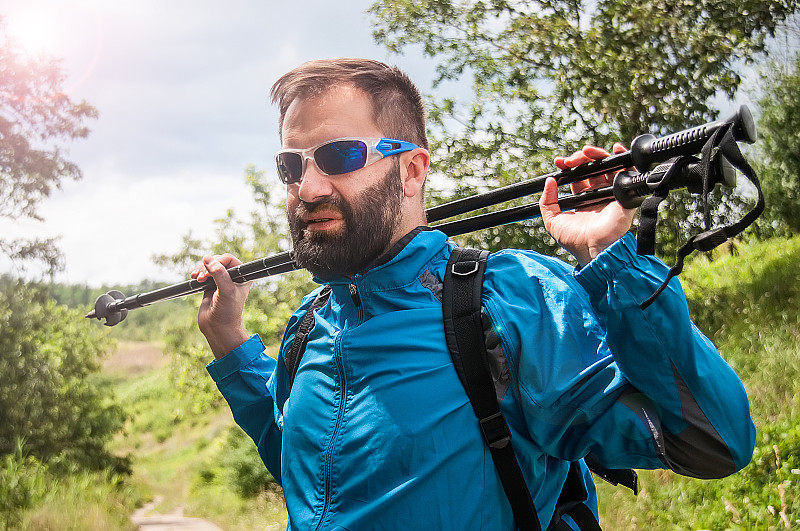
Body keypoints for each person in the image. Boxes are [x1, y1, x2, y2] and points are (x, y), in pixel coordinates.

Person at [192, 58, 755, 530]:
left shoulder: (505, 304)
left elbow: (713, 441)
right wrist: (233, 348)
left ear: (412, 171)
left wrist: (611, 258)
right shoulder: (310, 324)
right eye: (292, 164)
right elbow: (307, 472)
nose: (307, 188)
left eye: (341, 157)